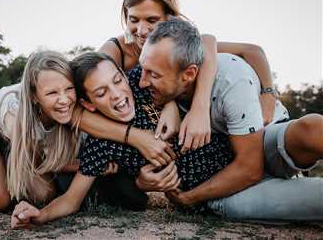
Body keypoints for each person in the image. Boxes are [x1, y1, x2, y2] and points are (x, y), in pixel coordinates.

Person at [10, 51, 234, 229]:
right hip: (213, 197)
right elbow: (71, 200)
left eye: (117, 80)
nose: (117, 94)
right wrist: (40, 215)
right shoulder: (100, 146)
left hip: (237, 154)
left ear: (124, 74)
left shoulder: (140, 81)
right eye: (101, 93)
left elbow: (195, 52)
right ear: (88, 105)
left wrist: (170, 104)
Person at [138, 17, 323, 220]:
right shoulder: (161, 71)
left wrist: (189, 197)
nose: (142, 82)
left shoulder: (231, 80)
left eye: (153, 75)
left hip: (262, 139)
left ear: (188, 74)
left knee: (311, 129)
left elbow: (250, 168)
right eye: (143, 69)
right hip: (226, 175)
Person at [98, 0, 277, 153]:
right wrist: (136, 136)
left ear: (170, 20)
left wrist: (268, 94)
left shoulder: (178, 47)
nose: (142, 31)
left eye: (152, 20)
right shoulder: (116, 50)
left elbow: (252, 51)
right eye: (134, 19)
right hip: (127, 139)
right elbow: (79, 108)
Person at [0, 50, 117, 213]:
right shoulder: (14, 110)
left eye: (69, 89)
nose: (64, 100)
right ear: (34, 96)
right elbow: (43, 160)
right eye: (52, 93)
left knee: (44, 195)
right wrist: (91, 165)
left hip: (19, 143)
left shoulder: (73, 106)